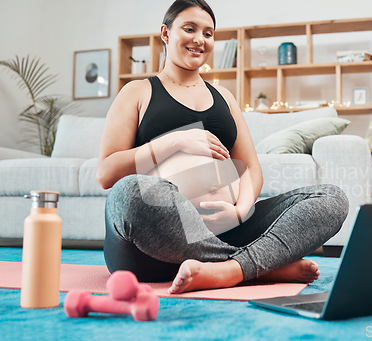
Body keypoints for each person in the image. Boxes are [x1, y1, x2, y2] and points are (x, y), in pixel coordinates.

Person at [97, 0, 349, 294]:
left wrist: (241, 211)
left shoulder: (224, 96)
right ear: (166, 33)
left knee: (331, 198)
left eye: (208, 33)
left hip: (230, 229)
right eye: (189, 29)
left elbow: (252, 167)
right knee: (128, 195)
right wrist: (174, 141)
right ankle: (259, 266)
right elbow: (106, 173)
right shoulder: (138, 91)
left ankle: (230, 269)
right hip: (154, 244)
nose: (199, 40)